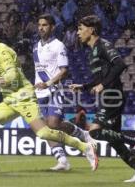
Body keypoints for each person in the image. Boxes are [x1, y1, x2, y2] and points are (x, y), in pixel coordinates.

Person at [0, 26, 98, 173]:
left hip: (24, 98)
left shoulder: (1, 50)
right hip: (10, 100)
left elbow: (12, 77)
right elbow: (10, 79)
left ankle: (85, 147)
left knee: (44, 133)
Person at [69, 15, 135, 182]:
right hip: (108, 95)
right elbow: (101, 78)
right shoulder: (92, 51)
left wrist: (103, 86)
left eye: (80, 28)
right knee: (114, 140)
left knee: (95, 132)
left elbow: (120, 64)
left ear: (91, 30)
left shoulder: (103, 44)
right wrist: (84, 86)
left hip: (113, 95)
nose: (78, 32)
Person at [33, 14, 95, 171]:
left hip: (54, 90)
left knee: (53, 124)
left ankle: (81, 134)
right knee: (47, 130)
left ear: (52, 27)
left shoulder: (58, 45)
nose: (41, 28)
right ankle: (62, 160)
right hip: (40, 93)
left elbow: (64, 71)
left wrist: (48, 83)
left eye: (45, 25)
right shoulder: (35, 46)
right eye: (39, 25)